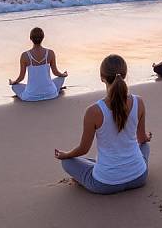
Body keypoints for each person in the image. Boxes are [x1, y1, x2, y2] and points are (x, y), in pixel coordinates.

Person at [55, 54, 152, 194]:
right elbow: (142, 139)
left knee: (68, 162)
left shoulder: (94, 111)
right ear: (124, 75)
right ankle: (108, 167)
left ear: (102, 77)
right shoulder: (139, 102)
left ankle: (86, 176)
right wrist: (146, 136)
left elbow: (83, 149)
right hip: (139, 177)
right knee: (145, 145)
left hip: (106, 183)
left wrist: (66, 154)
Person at [9, 27, 67, 101]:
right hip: (51, 94)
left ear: (30, 38)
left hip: (31, 96)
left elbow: (21, 77)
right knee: (60, 78)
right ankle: (53, 88)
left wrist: (13, 82)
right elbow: (56, 72)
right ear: (43, 38)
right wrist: (63, 75)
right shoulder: (50, 53)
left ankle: (36, 88)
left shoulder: (25, 55)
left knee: (14, 86)